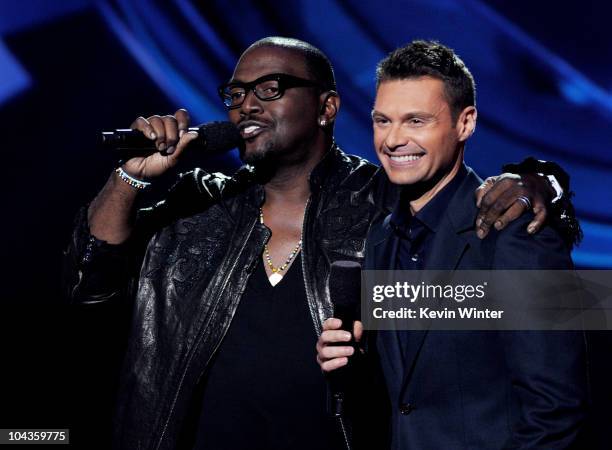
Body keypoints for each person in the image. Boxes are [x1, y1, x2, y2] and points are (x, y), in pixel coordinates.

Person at [64, 37, 576, 450]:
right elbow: (90, 283)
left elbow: (545, 372)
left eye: (270, 89)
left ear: (327, 107)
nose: (247, 105)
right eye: (237, 93)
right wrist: (131, 177)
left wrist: (541, 181)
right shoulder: (196, 204)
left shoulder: (383, 202)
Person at [316, 40, 588, 449]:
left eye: (416, 121)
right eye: (382, 120)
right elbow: (411, 394)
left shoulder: (516, 232)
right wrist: (349, 363)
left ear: (465, 123)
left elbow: (555, 410)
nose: (392, 139)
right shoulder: (381, 240)